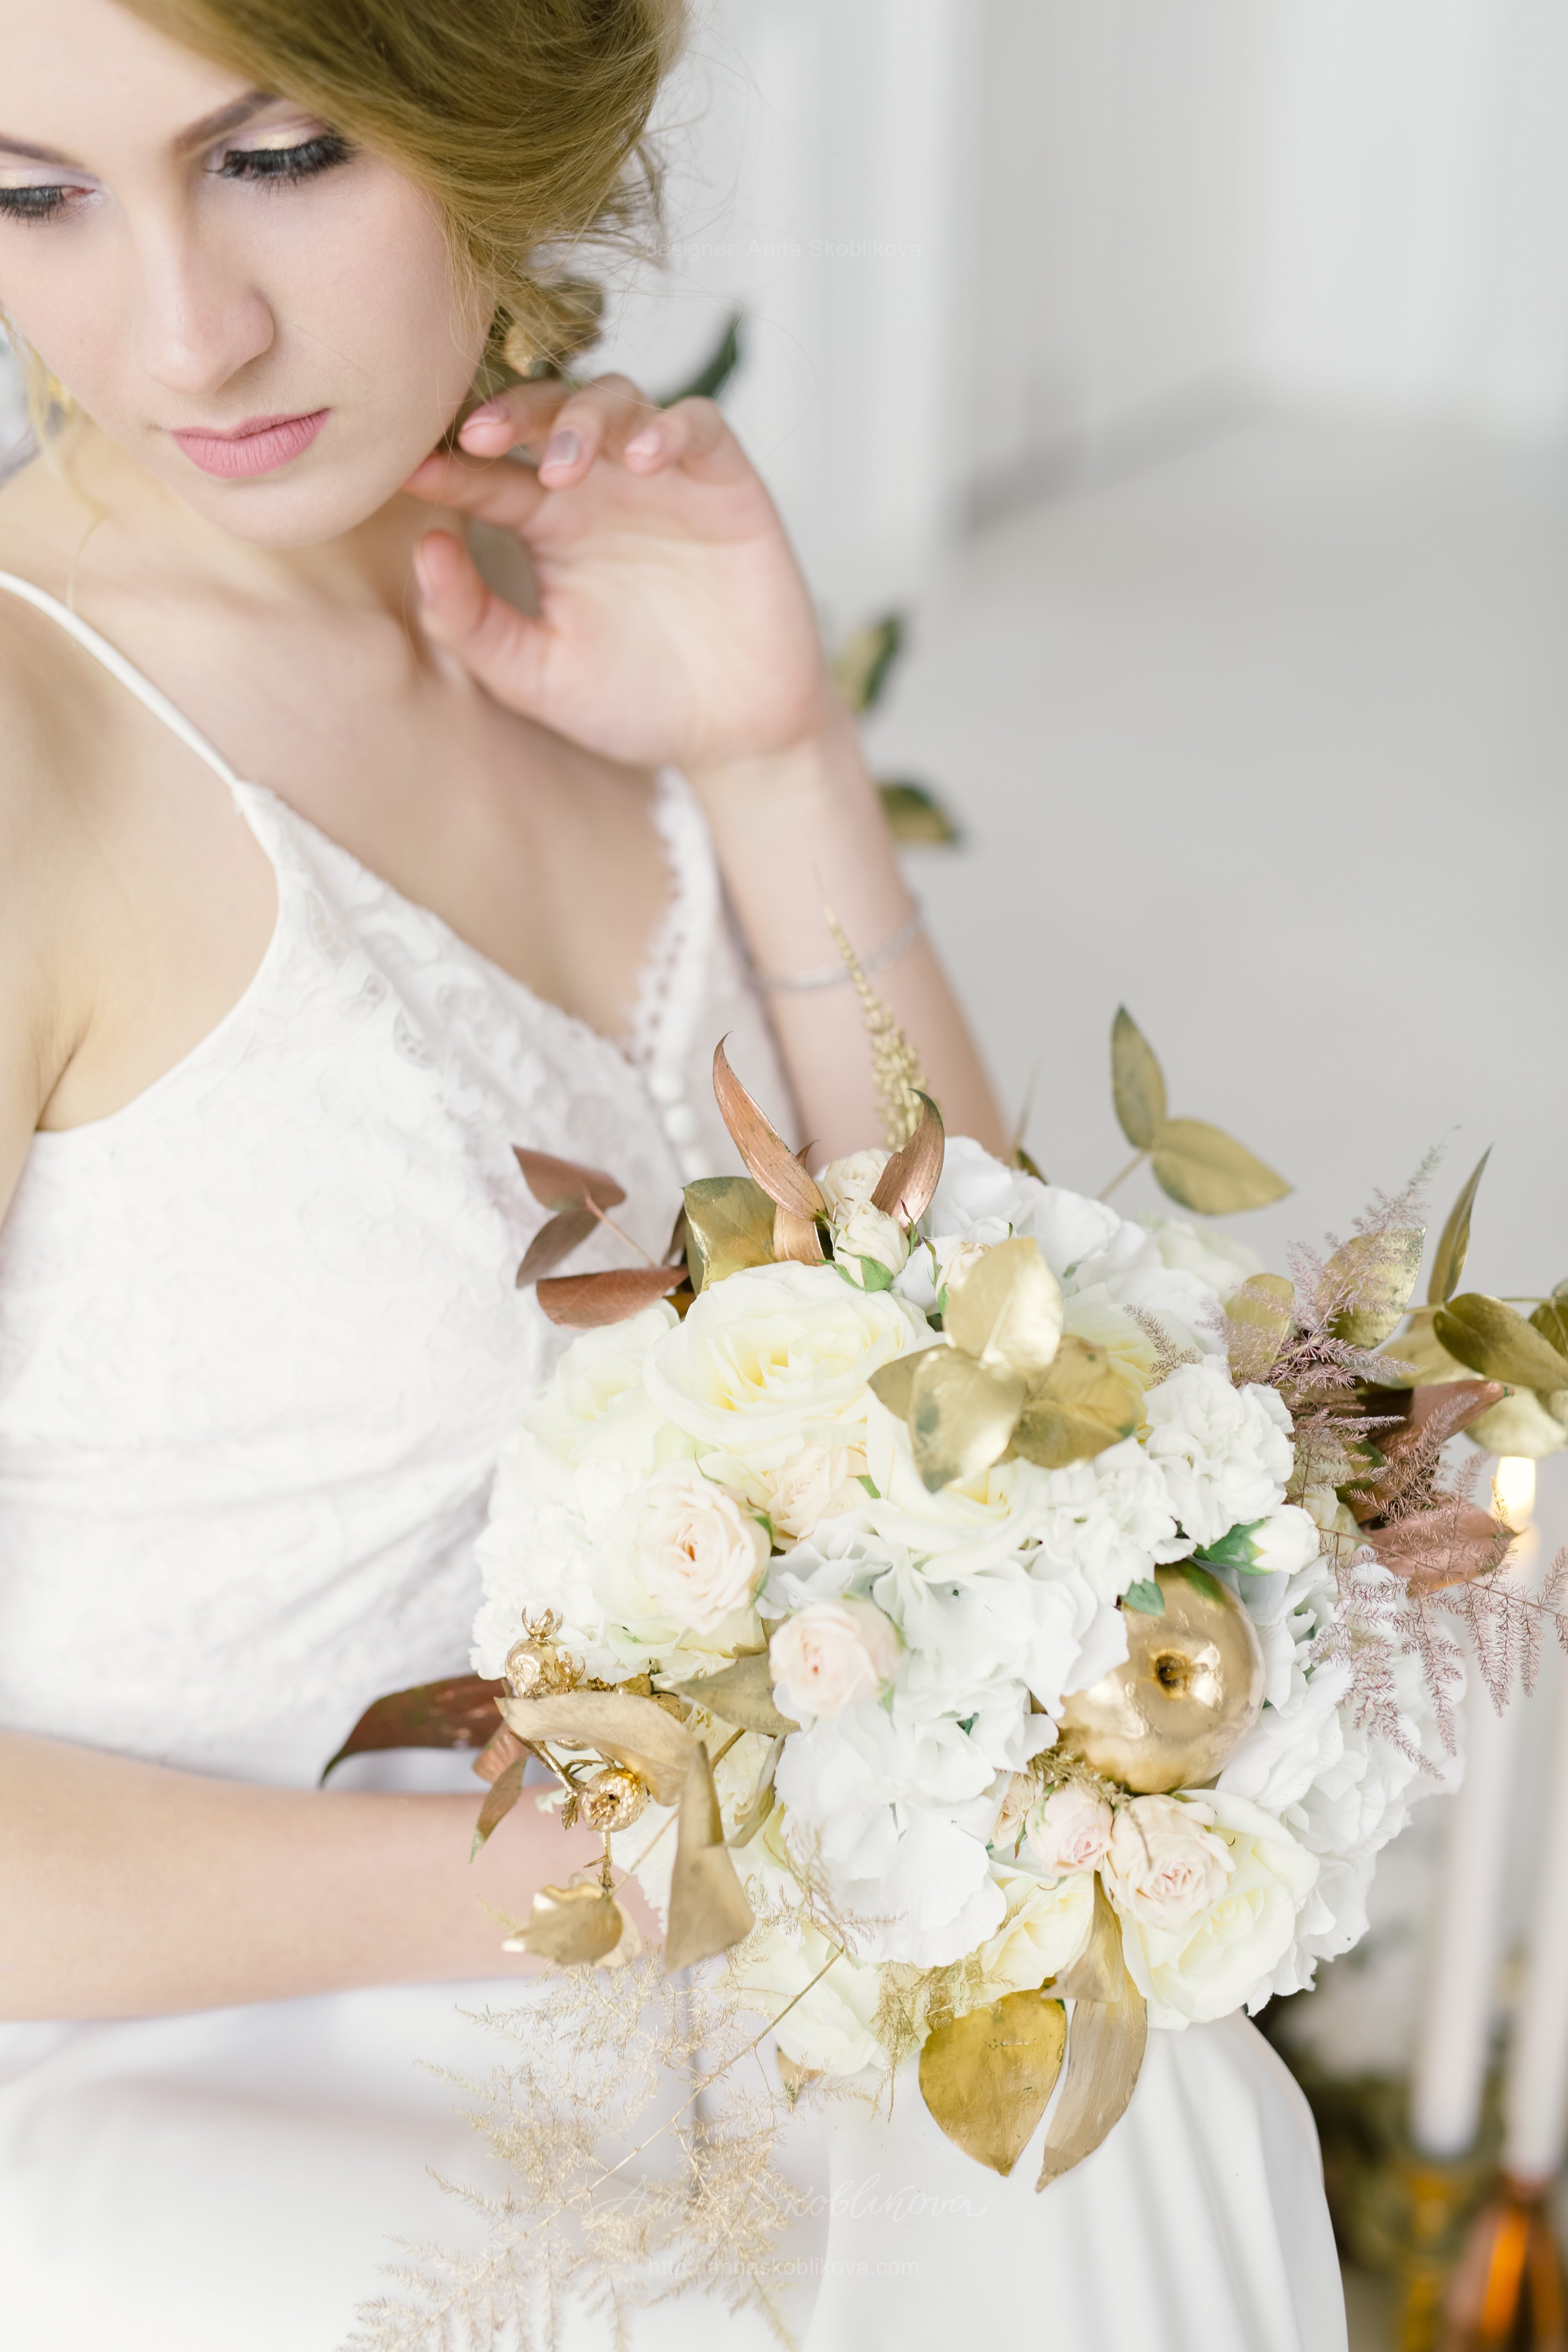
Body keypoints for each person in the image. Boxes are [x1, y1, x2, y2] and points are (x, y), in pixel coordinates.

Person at [0, 2, 1345, 2345]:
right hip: (158, 2057)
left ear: (492, 100)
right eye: (31, 195)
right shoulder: (38, 750)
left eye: (281, 157)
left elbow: (1006, 1390)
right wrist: (627, 1874)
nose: (185, 334)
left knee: (1156, 2132)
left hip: (668, 1965)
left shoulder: (567, 598)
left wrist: (769, 750)